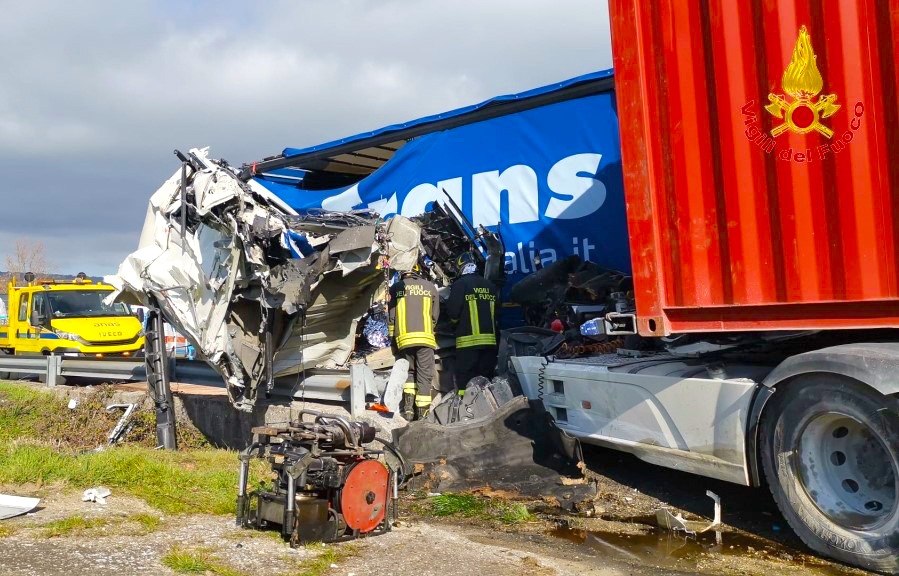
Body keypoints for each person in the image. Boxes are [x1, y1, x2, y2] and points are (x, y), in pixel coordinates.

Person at [388, 263, 439, 420]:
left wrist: (393, 341)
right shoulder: (430, 287)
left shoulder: (396, 288)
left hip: (404, 340)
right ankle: (422, 414)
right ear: (418, 271)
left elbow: (391, 317)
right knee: (424, 374)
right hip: (425, 339)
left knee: (409, 372)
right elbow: (435, 316)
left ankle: (408, 410)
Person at [447, 252, 499, 391]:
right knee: (485, 381)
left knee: (465, 380)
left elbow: (453, 312)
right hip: (490, 344)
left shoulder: (460, 284)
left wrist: (453, 324)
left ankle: (464, 403)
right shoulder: (490, 285)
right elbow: (497, 312)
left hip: (468, 343)